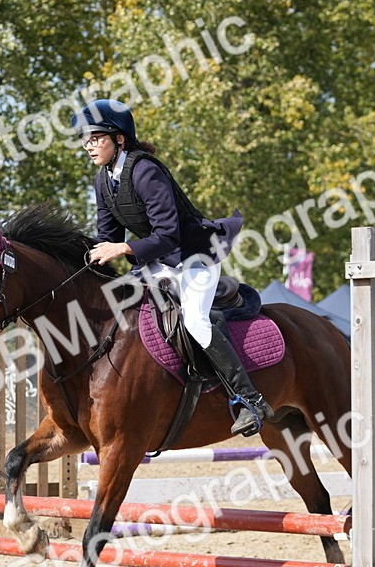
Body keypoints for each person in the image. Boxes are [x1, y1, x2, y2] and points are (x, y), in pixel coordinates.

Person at [73, 99, 276, 436]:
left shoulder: (146, 171)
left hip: (196, 257)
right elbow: (107, 237)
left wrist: (123, 248)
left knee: (195, 321)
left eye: (96, 138)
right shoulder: (103, 180)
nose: (89, 146)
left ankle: (249, 400)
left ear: (119, 139)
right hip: (159, 262)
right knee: (120, 305)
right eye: (86, 140)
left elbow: (167, 235)